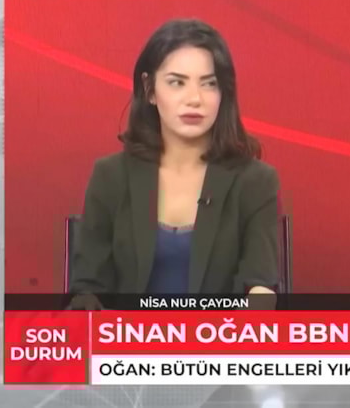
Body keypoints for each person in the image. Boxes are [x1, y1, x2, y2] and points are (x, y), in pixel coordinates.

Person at [69, 19, 279, 303]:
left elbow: (260, 285)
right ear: (150, 89)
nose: (194, 99)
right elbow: (89, 286)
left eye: (209, 84)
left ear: (223, 93)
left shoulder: (256, 181)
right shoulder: (110, 177)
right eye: (177, 82)